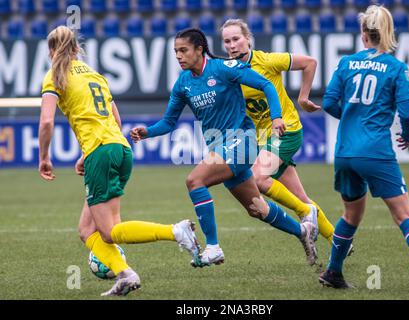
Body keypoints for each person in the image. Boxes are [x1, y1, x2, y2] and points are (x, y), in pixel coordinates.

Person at [130, 28, 318, 267]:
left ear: (199, 49)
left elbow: (267, 86)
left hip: (243, 141)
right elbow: (168, 122)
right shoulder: (182, 84)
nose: (178, 56)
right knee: (256, 207)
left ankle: (213, 247)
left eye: (183, 50)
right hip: (220, 147)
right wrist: (148, 132)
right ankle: (303, 231)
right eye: (176, 51)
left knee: (194, 180)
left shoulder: (223, 68)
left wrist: (277, 118)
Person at [38, 26, 202, 297]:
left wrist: (44, 157)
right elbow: (116, 119)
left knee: (110, 231)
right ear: (77, 48)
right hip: (120, 149)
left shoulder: (54, 76)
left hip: (101, 152)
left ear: (51, 51)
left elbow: (46, 121)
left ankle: (175, 231)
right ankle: (126, 274)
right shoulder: (95, 75)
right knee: (86, 230)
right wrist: (86, 155)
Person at [318, 5, 409, 291]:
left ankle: (332, 272)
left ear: (364, 34)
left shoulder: (346, 63)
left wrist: (353, 118)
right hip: (376, 152)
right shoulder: (397, 68)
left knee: (351, 215)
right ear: (388, 33)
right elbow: (407, 113)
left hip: (344, 153)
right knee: (404, 214)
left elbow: (328, 103)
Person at [220, 19, 350, 257]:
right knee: (301, 197)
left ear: (247, 39)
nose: (231, 45)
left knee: (258, 178)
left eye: (236, 39)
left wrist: (303, 97)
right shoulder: (228, 71)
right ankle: (339, 241)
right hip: (263, 140)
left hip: (286, 130)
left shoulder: (267, 61)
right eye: (226, 41)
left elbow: (310, 62)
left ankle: (306, 215)